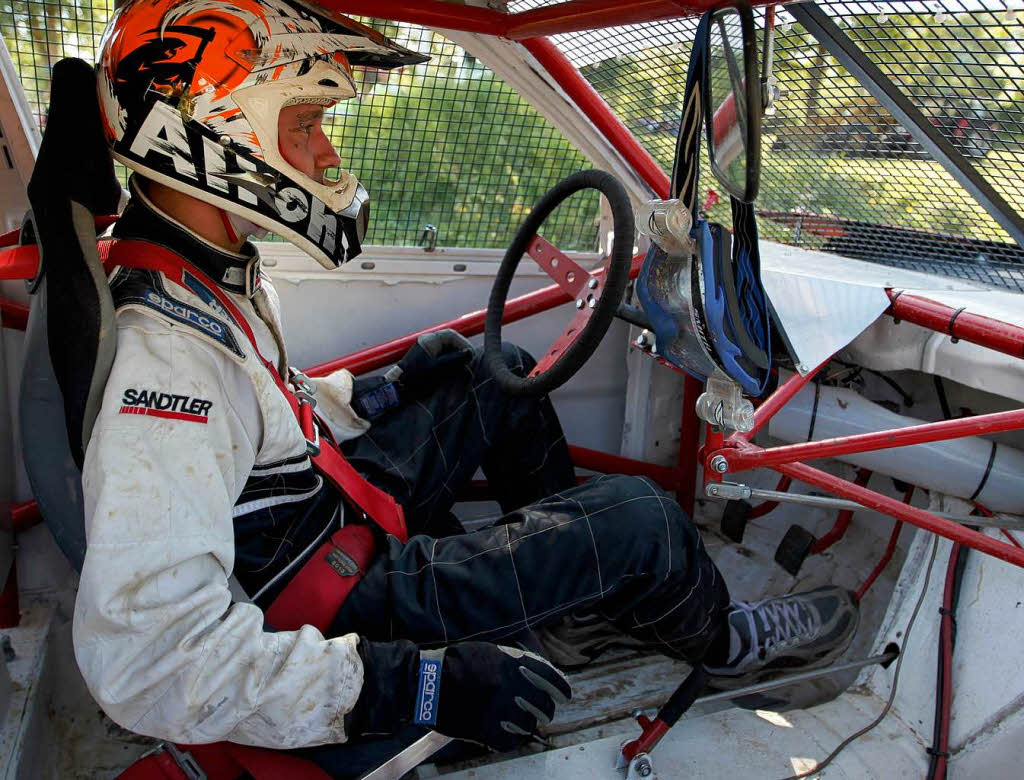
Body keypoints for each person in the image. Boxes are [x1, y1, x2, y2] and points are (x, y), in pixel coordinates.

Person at [73, 0, 858, 776]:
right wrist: (414, 685)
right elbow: (149, 665)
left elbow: (266, 420)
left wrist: (377, 391)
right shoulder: (167, 367)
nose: (325, 155)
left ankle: (571, 613)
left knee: (499, 373)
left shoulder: (197, 275)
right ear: (209, 131)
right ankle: (721, 643)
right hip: (328, 602)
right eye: (305, 124)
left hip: (319, 515)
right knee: (643, 517)